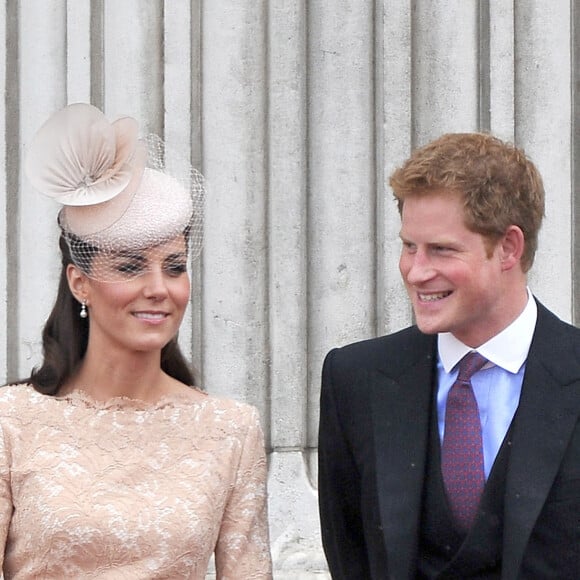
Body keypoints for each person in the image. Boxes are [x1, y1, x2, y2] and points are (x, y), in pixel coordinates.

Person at [0, 103, 272, 578]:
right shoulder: (11, 422)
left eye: (175, 266)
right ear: (79, 282)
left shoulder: (231, 429)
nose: (158, 288)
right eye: (129, 266)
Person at [318, 132, 580, 579]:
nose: (416, 271)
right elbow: (350, 555)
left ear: (509, 248)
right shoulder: (356, 380)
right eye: (408, 246)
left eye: (441, 249)